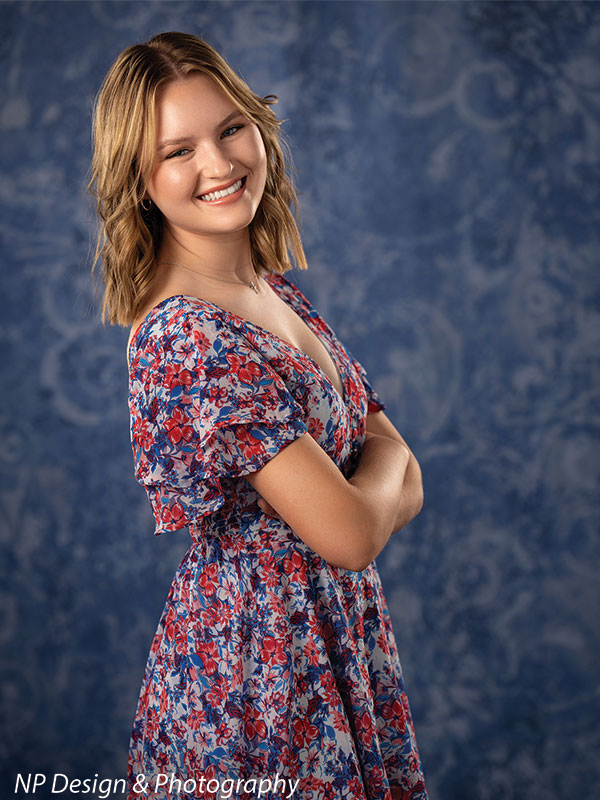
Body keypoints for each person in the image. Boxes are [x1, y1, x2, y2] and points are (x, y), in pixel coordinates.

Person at [89, 31, 428, 800]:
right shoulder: (189, 336)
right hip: (260, 672)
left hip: (333, 642)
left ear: (258, 127)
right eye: (178, 151)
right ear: (139, 181)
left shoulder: (275, 294)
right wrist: (382, 472)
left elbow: (397, 469)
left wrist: (376, 478)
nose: (218, 164)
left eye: (230, 129)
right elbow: (352, 532)